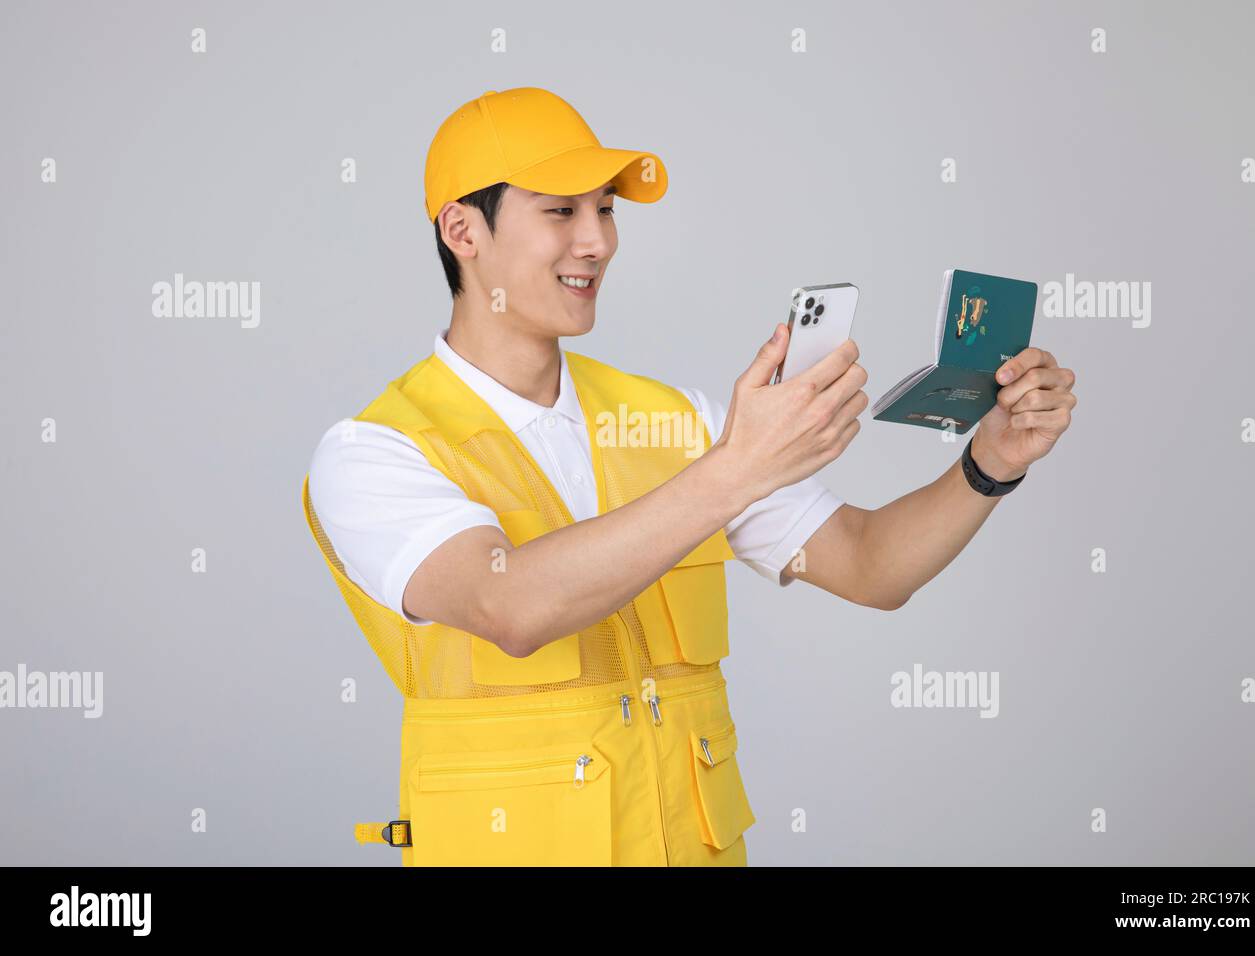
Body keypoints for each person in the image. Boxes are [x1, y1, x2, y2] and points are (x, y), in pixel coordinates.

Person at [302, 86, 1078, 867]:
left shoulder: (678, 424)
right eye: (560, 212)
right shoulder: (377, 450)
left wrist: (990, 464)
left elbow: (872, 564)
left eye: (605, 210)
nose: (597, 241)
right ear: (462, 230)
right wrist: (735, 470)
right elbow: (510, 606)